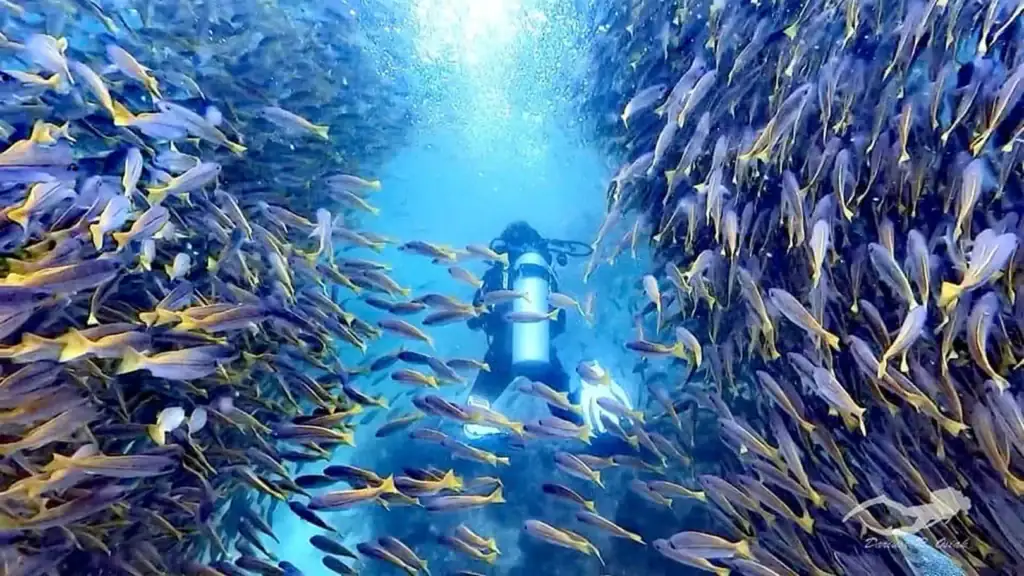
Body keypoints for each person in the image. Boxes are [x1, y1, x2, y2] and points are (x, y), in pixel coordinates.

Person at [463, 221, 633, 439]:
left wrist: (489, 321)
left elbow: (476, 316)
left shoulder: (499, 270)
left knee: (474, 412)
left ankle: (483, 441)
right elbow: (558, 321)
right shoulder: (543, 272)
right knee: (568, 414)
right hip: (542, 352)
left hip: (501, 353)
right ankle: (598, 398)